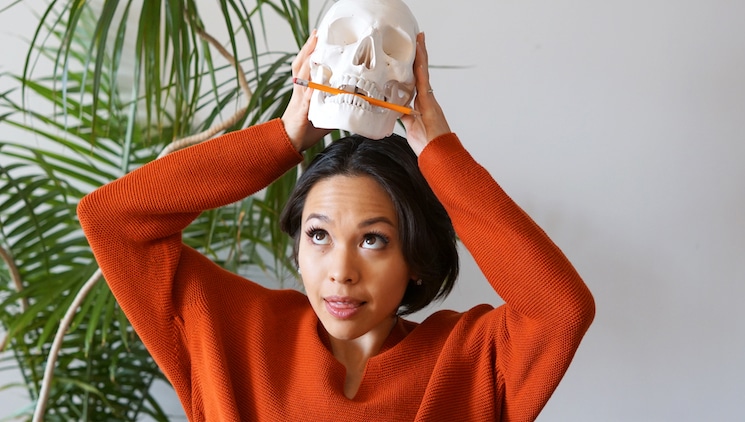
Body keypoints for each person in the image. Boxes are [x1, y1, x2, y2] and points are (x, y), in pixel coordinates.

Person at [78, 32, 595, 421]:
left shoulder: (467, 364)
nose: (340, 272)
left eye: (373, 240)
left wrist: (439, 154)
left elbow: (561, 310)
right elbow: (112, 219)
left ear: (415, 257)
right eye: (319, 235)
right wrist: (285, 136)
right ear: (298, 246)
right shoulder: (231, 332)